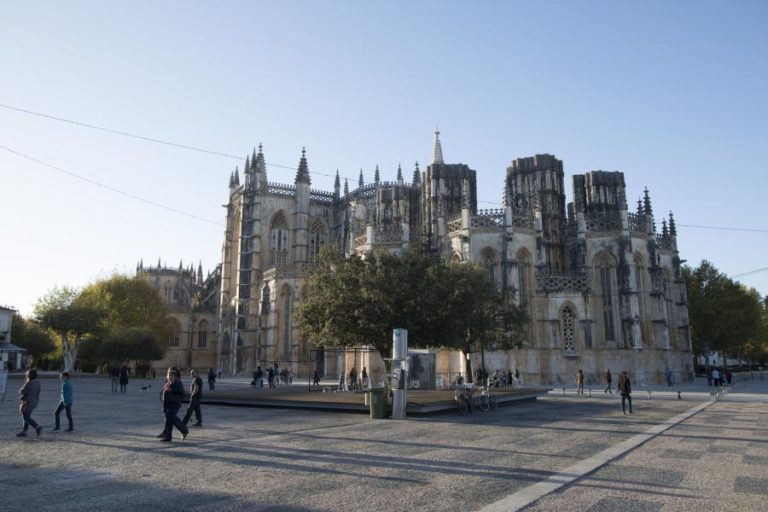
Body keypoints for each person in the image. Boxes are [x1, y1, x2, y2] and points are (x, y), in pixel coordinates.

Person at [158, 367, 188, 442]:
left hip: (175, 404)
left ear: (175, 375)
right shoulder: (170, 382)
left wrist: (171, 390)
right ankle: (168, 436)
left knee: (172, 418)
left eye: (171, 375)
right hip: (169, 404)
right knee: (169, 419)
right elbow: (165, 390)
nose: (169, 377)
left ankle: (184, 431)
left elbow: (182, 393)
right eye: (169, 375)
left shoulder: (178, 382)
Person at [17, 369, 43, 437]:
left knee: (26, 417)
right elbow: (37, 392)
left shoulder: (29, 383)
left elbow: (21, 391)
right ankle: (24, 431)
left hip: (27, 402)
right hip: (34, 401)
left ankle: (37, 427)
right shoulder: (38, 383)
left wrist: (22, 391)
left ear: (28, 375)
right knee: (27, 416)